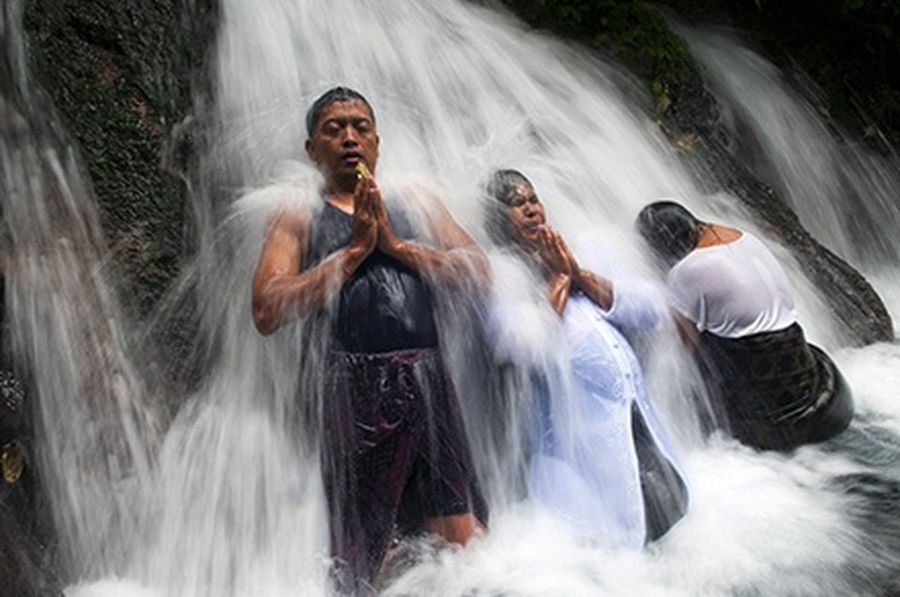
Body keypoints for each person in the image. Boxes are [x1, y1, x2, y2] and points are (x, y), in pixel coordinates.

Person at [251, 87, 487, 592]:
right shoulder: (297, 215)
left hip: (429, 378)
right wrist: (353, 253)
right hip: (352, 389)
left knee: (459, 529)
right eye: (334, 129)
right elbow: (268, 308)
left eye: (360, 127)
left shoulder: (417, 203)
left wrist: (398, 248)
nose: (350, 137)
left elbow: (477, 273)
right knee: (361, 548)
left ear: (378, 142)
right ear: (313, 149)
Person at [485, 170, 688, 548]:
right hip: (575, 449)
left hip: (636, 419)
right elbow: (519, 344)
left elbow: (649, 307)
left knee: (669, 512)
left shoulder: (579, 250)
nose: (530, 210)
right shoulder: (499, 273)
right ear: (496, 217)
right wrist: (559, 282)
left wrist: (577, 273)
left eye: (533, 200)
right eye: (517, 204)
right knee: (610, 534)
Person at [636, 200, 854, 451]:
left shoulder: (687, 272)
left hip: (762, 403)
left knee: (695, 346)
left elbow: (682, 349)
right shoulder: (745, 239)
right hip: (809, 379)